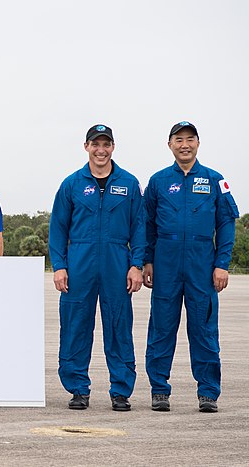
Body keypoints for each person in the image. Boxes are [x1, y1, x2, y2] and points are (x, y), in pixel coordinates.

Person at [143, 121, 240, 413]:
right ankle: (159, 390)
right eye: (178, 140)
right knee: (161, 329)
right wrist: (147, 260)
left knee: (204, 330)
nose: (184, 145)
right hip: (166, 265)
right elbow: (146, 224)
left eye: (190, 139)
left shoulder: (215, 180)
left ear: (198, 142)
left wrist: (221, 264)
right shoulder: (158, 181)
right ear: (169, 144)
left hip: (202, 265)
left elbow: (226, 224)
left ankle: (208, 392)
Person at [49, 124, 145, 412]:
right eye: (95, 144)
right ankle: (78, 388)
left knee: (119, 326)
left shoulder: (128, 184)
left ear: (113, 147)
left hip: (117, 262)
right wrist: (60, 266)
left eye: (106, 144)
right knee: (76, 325)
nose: (100, 150)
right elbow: (58, 228)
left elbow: (139, 227)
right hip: (79, 262)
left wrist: (136, 264)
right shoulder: (72, 184)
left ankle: (120, 390)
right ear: (86, 147)